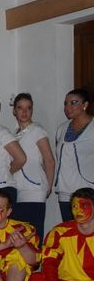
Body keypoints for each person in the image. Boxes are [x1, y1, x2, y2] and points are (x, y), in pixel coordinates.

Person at [29, 188, 94, 281]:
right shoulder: (59, 232)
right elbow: (49, 262)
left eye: (84, 206)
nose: (78, 210)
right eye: (74, 206)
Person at [11, 93, 55, 239]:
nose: (24, 112)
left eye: (28, 108)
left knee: (33, 236)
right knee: (20, 236)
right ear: (14, 111)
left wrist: (48, 187)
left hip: (34, 189)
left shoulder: (37, 130)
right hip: (18, 189)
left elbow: (49, 160)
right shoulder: (15, 134)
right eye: (20, 108)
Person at [53, 88, 94, 223]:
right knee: (70, 230)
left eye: (73, 102)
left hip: (88, 190)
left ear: (85, 105)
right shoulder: (62, 128)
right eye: (66, 103)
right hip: (65, 192)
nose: (68, 107)